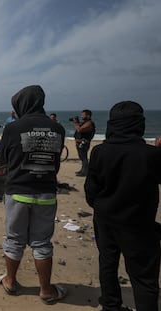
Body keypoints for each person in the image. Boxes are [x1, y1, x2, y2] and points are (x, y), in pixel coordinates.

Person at [85, 101, 161, 311]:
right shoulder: (150, 155)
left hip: (105, 219)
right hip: (139, 223)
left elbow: (90, 191)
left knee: (107, 264)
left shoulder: (100, 152)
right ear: (139, 124)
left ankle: (110, 305)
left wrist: (102, 206)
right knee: (143, 276)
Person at [0, 85, 67, 304]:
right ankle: (46, 290)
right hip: (46, 192)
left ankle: (10, 281)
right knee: (42, 243)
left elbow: (4, 156)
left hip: (18, 192)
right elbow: (56, 161)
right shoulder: (58, 128)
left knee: (14, 240)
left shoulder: (13, 127)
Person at [72, 109, 95, 176]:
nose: (81, 116)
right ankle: (82, 170)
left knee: (84, 157)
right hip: (80, 142)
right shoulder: (85, 122)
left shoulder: (89, 123)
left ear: (88, 116)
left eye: (83, 115)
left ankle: (85, 172)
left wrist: (76, 122)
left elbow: (79, 130)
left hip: (84, 143)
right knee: (82, 157)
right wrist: (77, 123)